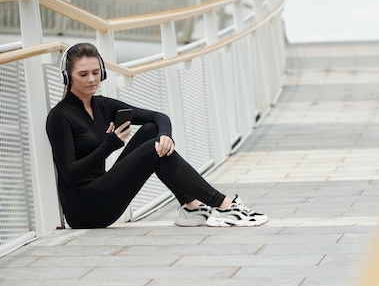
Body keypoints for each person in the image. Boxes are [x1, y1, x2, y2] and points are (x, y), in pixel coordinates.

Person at [46, 42, 267, 229]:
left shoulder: (103, 106)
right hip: (84, 210)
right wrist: (109, 145)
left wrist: (166, 136)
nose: (92, 79)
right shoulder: (60, 116)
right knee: (153, 149)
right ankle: (224, 205)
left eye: (96, 72)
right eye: (83, 74)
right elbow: (70, 175)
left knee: (153, 132)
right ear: (68, 77)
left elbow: (158, 116)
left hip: (105, 191)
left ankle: (191, 208)